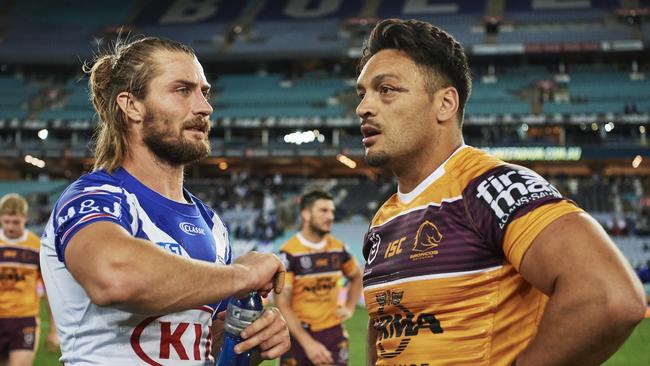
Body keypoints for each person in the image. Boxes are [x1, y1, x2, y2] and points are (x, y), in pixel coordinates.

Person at [355, 19, 646, 366]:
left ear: (445, 104)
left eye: (386, 90)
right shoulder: (382, 220)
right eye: (362, 94)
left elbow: (609, 297)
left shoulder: (491, 188)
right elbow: (384, 331)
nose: (363, 108)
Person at [39, 36, 289, 365]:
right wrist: (244, 274)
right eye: (182, 90)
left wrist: (250, 337)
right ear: (132, 106)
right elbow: (114, 279)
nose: (204, 107)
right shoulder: (94, 198)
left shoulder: (212, 224)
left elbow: (197, 342)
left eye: (204, 92)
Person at [276, 191, 363, 366]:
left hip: (333, 335)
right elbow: (282, 303)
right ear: (305, 214)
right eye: (323, 210)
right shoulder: (289, 253)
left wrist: (349, 308)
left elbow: (357, 276)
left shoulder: (338, 249)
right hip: (299, 336)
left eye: (332, 211)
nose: (330, 216)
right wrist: (309, 344)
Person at [0, 193, 59, 366]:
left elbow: (50, 290)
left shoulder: (36, 247)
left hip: (24, 319)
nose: (10, 227)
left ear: (25, 218)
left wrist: (54, 330)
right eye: (6, 221)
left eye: (15, 222)